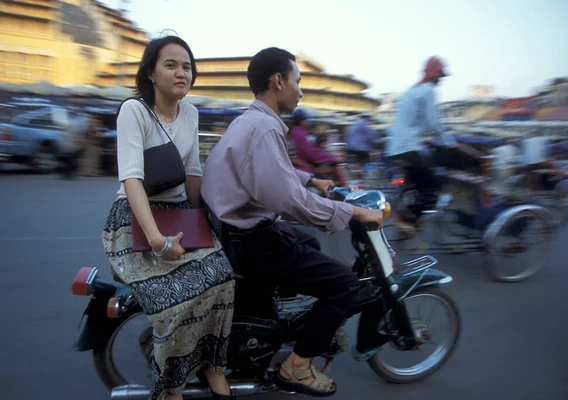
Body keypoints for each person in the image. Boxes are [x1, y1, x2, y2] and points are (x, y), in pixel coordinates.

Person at [201, 47, 383, 397]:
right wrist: (353, 214)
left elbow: (270, 173)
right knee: (344, 283)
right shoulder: (267, 128)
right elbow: (289, 201)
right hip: (252, 242)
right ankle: (296, 366)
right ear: (279, 80)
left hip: (235, 233)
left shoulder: (252, 120)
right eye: (297, 81)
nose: (300, 90)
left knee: (309, 243)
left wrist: (311, 179)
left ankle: (281, 326)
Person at [101, 35, 235, 400]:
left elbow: (192, 173)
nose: (181, 72)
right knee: (178, 296)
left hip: (177, 215)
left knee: (222, 277)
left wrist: (207, 217)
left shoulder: (191, 113)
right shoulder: (134, 110)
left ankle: (214, 367)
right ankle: (171, 387)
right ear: (151, 72)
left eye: (187, 66)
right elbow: (132, 179)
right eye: (171, 65)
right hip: (135, 220)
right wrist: (158, 242)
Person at [385, 56, 483, 234]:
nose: (440, 80)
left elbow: (413, 122)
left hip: (395, 148)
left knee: (419, 181)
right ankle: (406, 219)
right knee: (432, 190)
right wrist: (450, 144)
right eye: (440, 76)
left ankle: (408, 218)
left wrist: (427, 139)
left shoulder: (410, 91)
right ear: (434, 74)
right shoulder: (428, 90)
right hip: (409, 148)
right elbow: (434, 123)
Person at [287, 108, 348, 186]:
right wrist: (330, 158)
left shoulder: (296, 133)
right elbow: (310, 152)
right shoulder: (300, 134)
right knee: (335, 166)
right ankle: (343, 188)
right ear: (302, 122)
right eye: (306, 120)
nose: (308, 123)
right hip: (304, 166)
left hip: (303, 163)